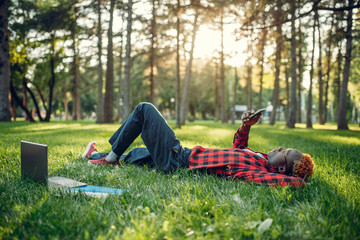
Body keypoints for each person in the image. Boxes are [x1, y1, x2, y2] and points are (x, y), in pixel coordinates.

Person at [83, 103, 314, 187]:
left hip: (179, 161)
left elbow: (290, 182)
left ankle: (109, 159)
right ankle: (96, 156)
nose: (279, 148)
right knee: (138, 154)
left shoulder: (258, 171)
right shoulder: (259, 158)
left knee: (144, 109)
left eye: (283, 153)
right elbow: (239, 147)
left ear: (282, 168)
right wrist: (246, 126)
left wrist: (301, 178)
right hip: (183, 156)